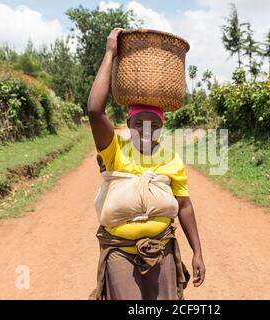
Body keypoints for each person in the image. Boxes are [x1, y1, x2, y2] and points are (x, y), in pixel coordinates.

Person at [87, 27, 205, 300]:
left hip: (162, 251)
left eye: (155, 124)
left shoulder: (171, 160)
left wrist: (197, 251)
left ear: (162, 127)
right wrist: (109, 54)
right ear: (128, 125)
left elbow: (184, 205)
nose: (147, 130)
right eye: (139, 124)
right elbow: (94, 110)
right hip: (120, 254)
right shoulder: (115, 151)